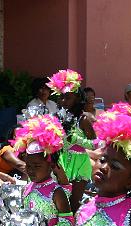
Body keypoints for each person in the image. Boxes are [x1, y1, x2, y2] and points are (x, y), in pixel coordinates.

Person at [48, 69, 95, 212]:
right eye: (61, 97)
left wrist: (76, 139)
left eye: (68, 97)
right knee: (59, 203)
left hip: (80, 163)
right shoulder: (55, 117)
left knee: (73, 205)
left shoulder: (84, 119)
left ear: (77, 98)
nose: (64, 101)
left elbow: (96, 144)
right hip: (60, 161)